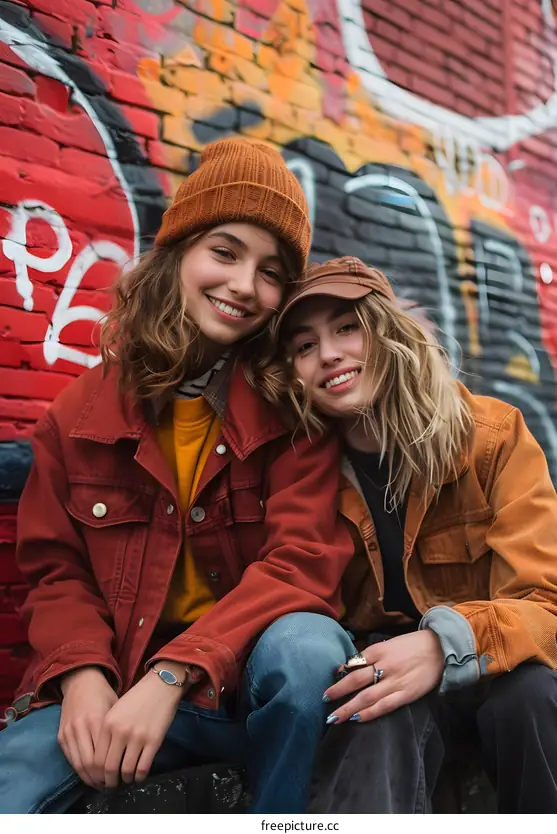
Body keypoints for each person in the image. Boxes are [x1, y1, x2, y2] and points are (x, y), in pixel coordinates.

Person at [0, 140, 358, 814]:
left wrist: (175, 672)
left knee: (307, 650)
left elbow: (301, 565)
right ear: (178, 252)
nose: (244, 285)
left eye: (271, 273)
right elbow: (56, 569)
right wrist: (80, 674)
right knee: (11, 785)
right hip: (120, 691)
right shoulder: (78, 416)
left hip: (241, 692)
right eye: (225, 252)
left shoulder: (295, 415)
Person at [258, 255, 557, 814]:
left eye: (347, 328)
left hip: (487, 672)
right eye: (305, 346)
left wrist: (443, 645)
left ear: (387, 333)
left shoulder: (490, 438)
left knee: (534, 694)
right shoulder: (302, 472)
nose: (330, 354)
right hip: (388, 685)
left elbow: (555, 609)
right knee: (370, 700)